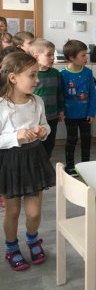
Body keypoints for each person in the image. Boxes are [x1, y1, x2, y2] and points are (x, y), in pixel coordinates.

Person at [0, 52, 55, 271]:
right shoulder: (2, 105)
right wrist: (16, 136)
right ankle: (11, 247)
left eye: (37, 75)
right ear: (13, 78)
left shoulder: (37, 102)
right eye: (32, 75)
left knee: (34, 212)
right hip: (10, 162)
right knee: (12, 211)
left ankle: (32, 240)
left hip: (34, 158)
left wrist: (43, 131)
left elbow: (46, 125)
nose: (37, 80)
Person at [59, 40, 96, 176]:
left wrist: (92, 112)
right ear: (71, 58)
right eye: (83, 55)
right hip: (70, 115)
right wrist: (61, 111)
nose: (86, 58)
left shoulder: (88, 73)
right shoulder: (62, 74)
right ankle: (70, 166)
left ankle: (86, 165)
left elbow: (92, 94)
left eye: (86, 54)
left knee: (86, 140)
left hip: (85, 115)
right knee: (71, 140)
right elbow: (60, 95)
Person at [30, 39, 64, 159]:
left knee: (49, 144)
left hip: (52, 116)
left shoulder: (56, 73)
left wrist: (61, 110)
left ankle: (45, 164)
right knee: (35, 146)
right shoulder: (31, 75)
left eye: (53, 54)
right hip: (35, 118)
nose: (52, 58)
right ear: (36, 57)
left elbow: (59, 93)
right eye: (48, 55)